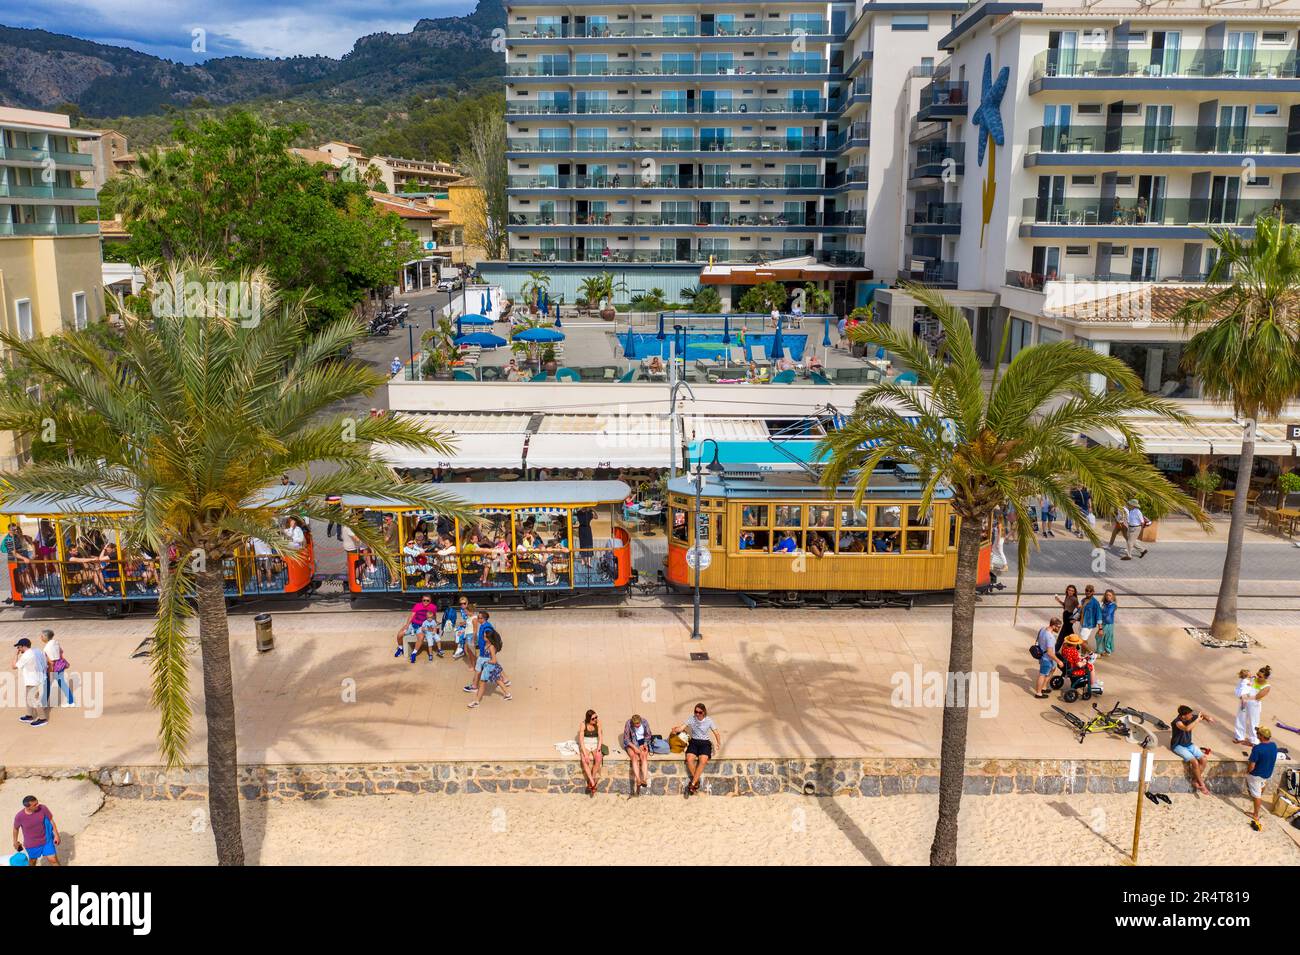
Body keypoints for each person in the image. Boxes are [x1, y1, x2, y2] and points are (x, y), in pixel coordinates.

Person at [672, 703, 721, 796]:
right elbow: (682, 727)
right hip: (694, 742)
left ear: (704, 712)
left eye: (699, 712)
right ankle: (696, 781)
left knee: (703, 760)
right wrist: (676, 729)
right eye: (696, 712)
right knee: (689, 759)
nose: (697, 714)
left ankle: (693, 784)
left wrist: (718, 743)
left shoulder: (709, 720)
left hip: (705, 743)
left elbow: (716, 733)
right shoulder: (691, 718)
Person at [465, 617, 512, 707]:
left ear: (488, 638)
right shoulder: (488, 644)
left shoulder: (491, 647)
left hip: (489, 668)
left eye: (485, 636)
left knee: (482, 684)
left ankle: (476, 701)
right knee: (498, 680)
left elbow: (494, 660)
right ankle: (507, 694)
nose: (483, 636)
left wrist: (486, 662)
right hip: (490, 668)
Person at [1171, 704, 1216, 795]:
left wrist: (1207, 718)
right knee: (1194, 762)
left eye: (1192, 714)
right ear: (1183, 716)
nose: (1192, 716)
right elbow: (1187, 729)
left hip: (1189, 744)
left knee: (1203, 759)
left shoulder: (1190, 718)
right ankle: (1202, 784)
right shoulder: (1177, 722)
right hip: (1178, 746)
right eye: (1190, 715)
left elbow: (1201, 715)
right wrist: (1197, 720)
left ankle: (1195, 781)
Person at [1245, 728, 1279, 831]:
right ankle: (1257, 799)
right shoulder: (1273, 745)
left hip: (1256, 775)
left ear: (1262, 736)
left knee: (1256, 794)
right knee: (1261, 786)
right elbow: (1265, 751)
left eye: (1258, 733)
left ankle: (1255, 814)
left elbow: (1251, 766)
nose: (1256, 734)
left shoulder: (1257, 749)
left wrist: (1247, 772)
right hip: (1267, 774)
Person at [12, 796, 59, 866]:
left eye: (37, 803)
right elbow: (15, 829)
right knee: (33, 861)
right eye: (35, 805)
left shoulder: (43, 808)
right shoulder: (19, 816)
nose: (38, 805)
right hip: (32, 844)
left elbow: (51, 821)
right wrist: (15, 842)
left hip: (46, 840)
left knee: (53, 859)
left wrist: (56, 835)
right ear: (28, 807)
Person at [394, 594, 442, 662]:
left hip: (422, 626)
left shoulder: (433, 607)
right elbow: (411, 616)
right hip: (413, 625)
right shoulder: (417, 605)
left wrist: (435, 622)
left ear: (430, 601)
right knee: (400, 634)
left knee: (421, 637)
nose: (425, 602)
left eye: (427, 600)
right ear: (422, 600)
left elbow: (434, 616)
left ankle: (414, 653)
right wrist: (407, 624)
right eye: (424, 600)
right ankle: (400, 648)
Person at [13, 637, 48, 727]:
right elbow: (44, 660)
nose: (18, 649)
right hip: (37, 678)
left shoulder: (26, 655)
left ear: (23, 646)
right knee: (28, 698)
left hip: (33, 680)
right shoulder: (37, 650)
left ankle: (42, 718)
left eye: (19, 647)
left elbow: (14, 666)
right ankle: (29, 716)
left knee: (33, 699)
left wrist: (16, 655)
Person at [1234, 665, 1271, 746]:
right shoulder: (1253, 678)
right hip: (1244, 702)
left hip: (1254, 705)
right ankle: (1239, 737)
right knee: (1240, 718)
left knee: (1253, 722)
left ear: (1265, 678)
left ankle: (1254, 741)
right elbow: (1242, 685)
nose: (1257, 676)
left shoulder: (1267, 687)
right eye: (1257, 674)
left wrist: (1245, 697)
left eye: (1260, 676)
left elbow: (1257, 697)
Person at [40, 629, 73, 707]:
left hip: (53, 668)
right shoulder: (56, 642)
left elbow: (51, 662)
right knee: (62, 684)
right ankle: (71, 701)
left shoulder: (47, 647)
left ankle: (43, 704)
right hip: (60, 665)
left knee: (47, 685)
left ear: (45, 637)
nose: (40, 637)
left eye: (41, 636)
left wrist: (49, 672)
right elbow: (61, 651)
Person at [622, 713, 653, 794]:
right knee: (634, 757)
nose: (637, 725)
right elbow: (626, 739)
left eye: (638, 723)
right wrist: (635, 748)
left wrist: (645, 744)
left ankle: (644, 779)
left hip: (642, 742)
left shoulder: (644, 722)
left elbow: (648, 735)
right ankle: (638, 780)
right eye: (635, 724)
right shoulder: (628, 723)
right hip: (631, 743)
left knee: (643, 756)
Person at [1033, 618, 1062, 699]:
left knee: (1053, 668)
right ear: (1053, 625)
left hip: (1043, 655)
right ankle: (1038, 693)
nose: (1059, 629)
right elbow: (1050, 652)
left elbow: (1037, 640)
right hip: (1046, 658)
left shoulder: (1042, 629)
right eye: (1058, 627)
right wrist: (1059, 661)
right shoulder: (1050, 637)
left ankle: (1044, 687)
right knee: (1042, 674)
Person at [578, 709, 603, 795]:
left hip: (595, 742)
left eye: (596, 717)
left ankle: (592, 778)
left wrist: (599, 749)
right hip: (586, 743)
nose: (595, 719)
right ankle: (592, 782)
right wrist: (585, 754)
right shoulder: (583, 724)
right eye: (593, 718)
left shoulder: (598, 723)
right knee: (585, 760)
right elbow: (581, 741)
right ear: (588, 719)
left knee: (599, 758)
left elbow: (600, 737)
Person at [1054, 584, 1080, 653]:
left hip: (1069, 617)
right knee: (1069, 632)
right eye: (1069, 590)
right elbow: (1065, 606)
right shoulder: (1067, 596)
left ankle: (1056, 649)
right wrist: (1058, 600)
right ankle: (1077, 646)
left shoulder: (1074, 599)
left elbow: (1079, 609)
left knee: (1062, 634)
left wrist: (1075, 619)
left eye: (1072, 591)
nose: (1070, 592)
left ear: (1074, 592)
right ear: (1067, 590)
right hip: (1065, 616)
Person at [1096, 589, 1117, 655]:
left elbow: (1107, 613)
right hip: (1103, 623)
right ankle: (1104, 650)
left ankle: (1104, 651)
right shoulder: (1103, 604)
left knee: (1102, 637)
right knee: (1101, 636)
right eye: (1107, 595)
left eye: (1110, 595)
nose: (1108, 596)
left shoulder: (1113, 605)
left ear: (1113, 596)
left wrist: (1100, 610)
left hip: (1109, 624)